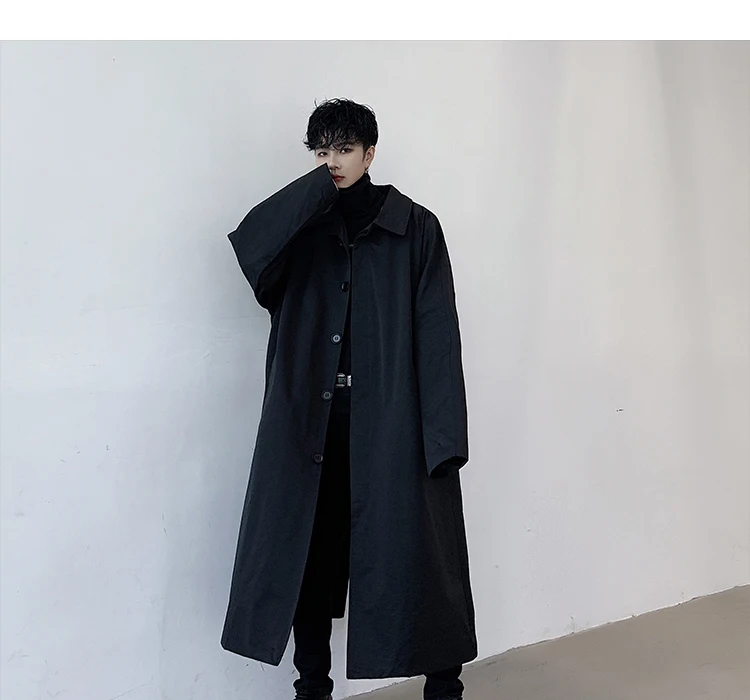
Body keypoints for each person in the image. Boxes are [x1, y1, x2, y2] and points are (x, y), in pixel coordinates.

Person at [222, 98, 475, 700]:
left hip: (394, 422)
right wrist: (316, 191)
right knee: (308, 557)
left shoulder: (416, 228)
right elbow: (251, 248)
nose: (331, 161)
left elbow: (438, 332)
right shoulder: (302, 229)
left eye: (344, 149)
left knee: (423, 557)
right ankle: (312, 687)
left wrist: (444, 440)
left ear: (370, 153)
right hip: (313, 423)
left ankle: (445, 688)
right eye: (321, 151)